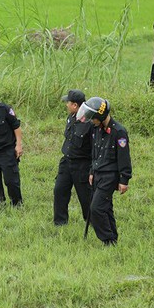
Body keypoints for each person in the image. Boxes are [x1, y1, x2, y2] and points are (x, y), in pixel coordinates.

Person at [77, 97, 132, 246]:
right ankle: (113, 238)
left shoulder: (119, 132)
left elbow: (124, 158)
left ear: (100, 116)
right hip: (97, 174)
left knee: (96, 208)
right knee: (106, 208)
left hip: (110, 176)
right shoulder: (96, 130)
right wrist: (91, 171)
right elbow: (94, 153)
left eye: (93, 117)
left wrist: (124, 180)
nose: (91, 120)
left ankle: (107, 239)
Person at [54, 89, 92, 225]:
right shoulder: (71, 117)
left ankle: (92, 222)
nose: (66, 105)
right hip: (67, 162)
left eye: (68, 103)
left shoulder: (89, 122)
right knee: (59, 190)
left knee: (85, 196)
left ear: (75, 105)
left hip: (81, 165)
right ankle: (60, 223)